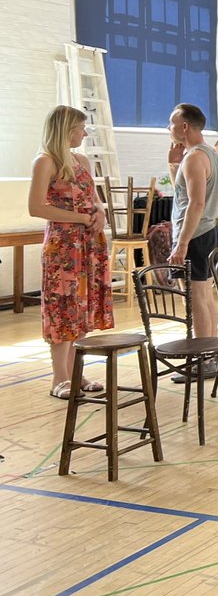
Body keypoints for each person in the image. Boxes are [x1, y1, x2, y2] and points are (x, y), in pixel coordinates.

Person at [27, 106, 113, 399]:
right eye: (80, 128)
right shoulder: (46, 162)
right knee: (62, 306)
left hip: (88, 243)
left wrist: (99, 213)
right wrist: (80, 218)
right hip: (64, 246)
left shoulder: (82, 161)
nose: (84, 133)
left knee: (82, 307)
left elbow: (94, 199)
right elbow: (36, 207)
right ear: (65, 129)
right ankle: (59, 378)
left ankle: (77, 372)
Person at [166, 103, 218, 340]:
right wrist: (172, 165)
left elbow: (196, 203)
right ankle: (210, 349)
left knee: (194, 295)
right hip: (207, 231)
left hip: (195, 235)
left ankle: (204, 354)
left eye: (172, 123)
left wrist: (182, 243)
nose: (169, 128)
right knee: (205, 294)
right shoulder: (210, 155)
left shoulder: (195, 158)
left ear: (184, 126)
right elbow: (182, 195)